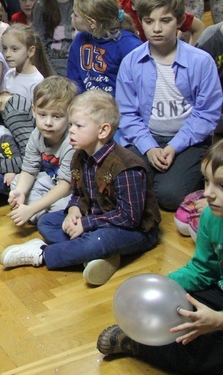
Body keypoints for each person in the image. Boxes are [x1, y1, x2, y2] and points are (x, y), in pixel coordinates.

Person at [1, 90, 161, 285]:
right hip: (95, 217)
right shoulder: (80, 155)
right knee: (47, 222)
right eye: (71, 125)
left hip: (134, 230)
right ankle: (99, 256)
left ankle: (43, 253)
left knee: (100, 240)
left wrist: (86, 224)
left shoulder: (125, 167)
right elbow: (78, 193)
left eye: (78, 126)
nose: (71, 131)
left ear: (103, 131)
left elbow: (129, 218)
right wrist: (74, 210)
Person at [96, 140, 223, 372]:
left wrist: (218, 320)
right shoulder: (212, 218)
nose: (208, 193)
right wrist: (168, 288)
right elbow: (203, 269)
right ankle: (144, 339)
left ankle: (140, 345)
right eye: (206, 181)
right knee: (182, 313)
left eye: (221, 185)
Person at [116, 0, 223, 210]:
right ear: (141, 22)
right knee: (121, 183)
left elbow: (207, 114)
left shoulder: (200, 61)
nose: (156, 28)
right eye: (149, 21)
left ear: (178, 22)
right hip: (147, 136)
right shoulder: (131, 62)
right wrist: (148, 146)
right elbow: (127, 114)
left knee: (170, 197)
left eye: (165, 21)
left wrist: (175, 146)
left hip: (188, 141)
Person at [7, 76, 76, 226]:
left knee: (62, 207)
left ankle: (38, 214)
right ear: (34, 110)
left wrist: (31, 209)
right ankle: (42, 214)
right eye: (42, 114)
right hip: (51, 182)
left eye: (56, 116)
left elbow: (65, 186)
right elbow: (29, 170)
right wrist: (20, 192)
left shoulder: (71, 142)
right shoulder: (36, 135)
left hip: (71, 190)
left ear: (70, 115)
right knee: (17, 183)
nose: (48, 122)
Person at [67, 0, 142, 95]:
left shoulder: (129, 45)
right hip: (84, 107)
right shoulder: (79, 40)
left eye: (76, 15)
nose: (72, 17)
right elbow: (74, 80)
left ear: (92, 23)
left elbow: (139, 86)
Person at [1, 23, 53, 101]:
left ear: (31, 51)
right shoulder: (9, 74)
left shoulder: (36, 81)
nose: (7, 54)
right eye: (5, 48)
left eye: (14, 49)